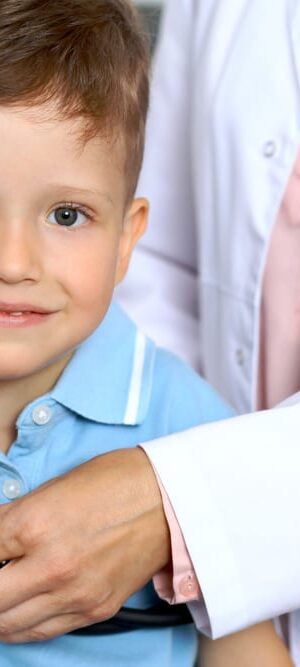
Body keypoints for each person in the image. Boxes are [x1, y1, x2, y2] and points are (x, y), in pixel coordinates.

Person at [0, 0, 299, 662]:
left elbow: (243, 646)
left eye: (68, 215)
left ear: (128, 236)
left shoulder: (181, 416)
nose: (14, 262)